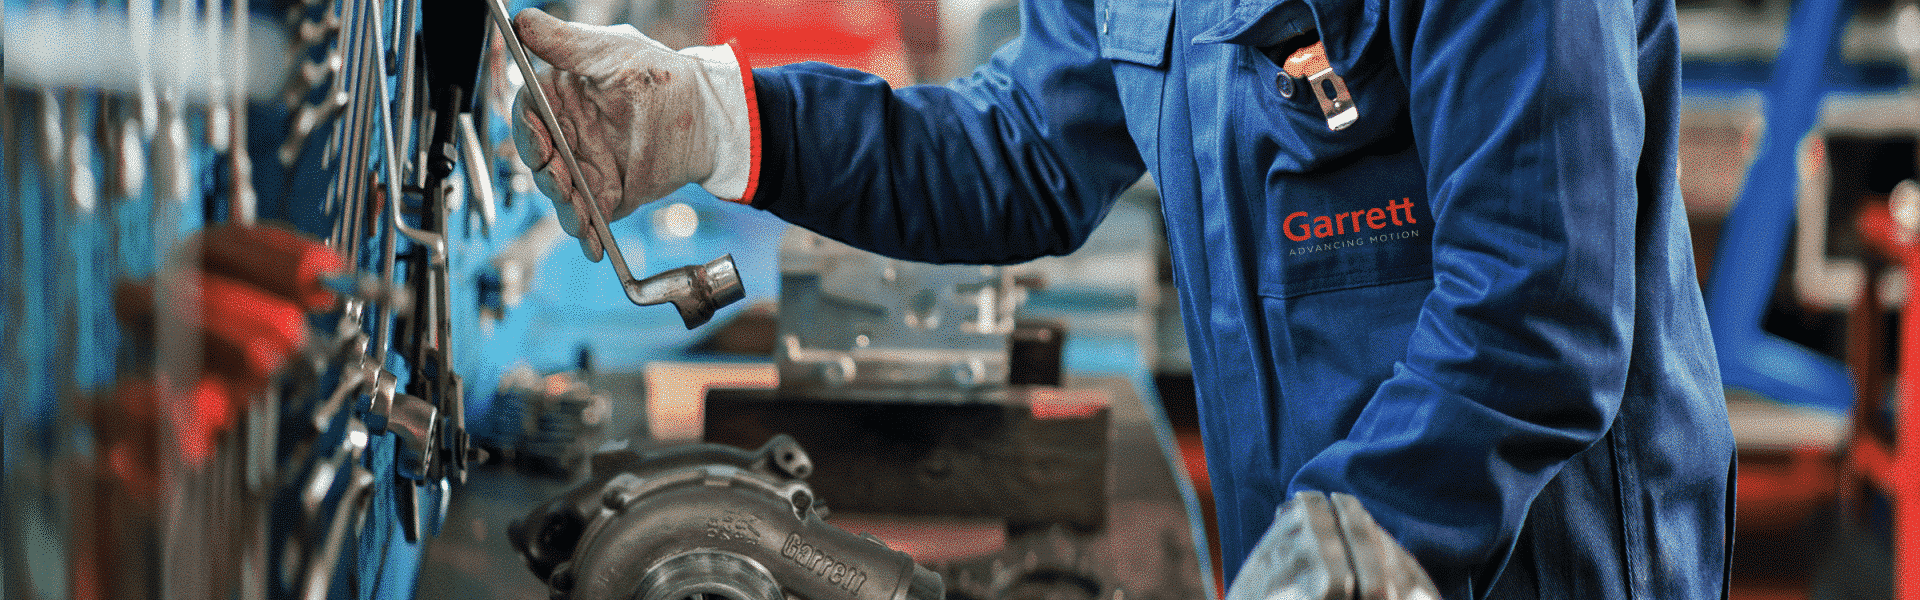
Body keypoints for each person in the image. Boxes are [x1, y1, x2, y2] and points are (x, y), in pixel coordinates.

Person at [506, 0, 1736, 595]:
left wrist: (1370, 543)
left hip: (1527, 553)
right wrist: (723, 119)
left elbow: (1537, 310)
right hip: (1303, 534)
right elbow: (1028, 148)